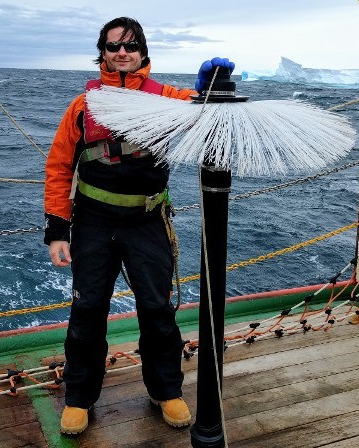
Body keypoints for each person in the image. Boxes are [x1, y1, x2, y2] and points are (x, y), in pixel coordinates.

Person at [44, 16, 234, 435]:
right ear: (103, 54)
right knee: (87, 310)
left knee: (156, 308)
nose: (122, 52)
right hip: (93, 222)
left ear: (143, 51)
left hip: (147, 220)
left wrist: (209, 91)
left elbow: (207, 114)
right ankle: (78, 398)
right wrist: (57, 229)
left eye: (130, 45)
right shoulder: (82, 106)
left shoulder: (168, 98)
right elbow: (59, 167)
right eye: (113, 47)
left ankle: (166, 390)